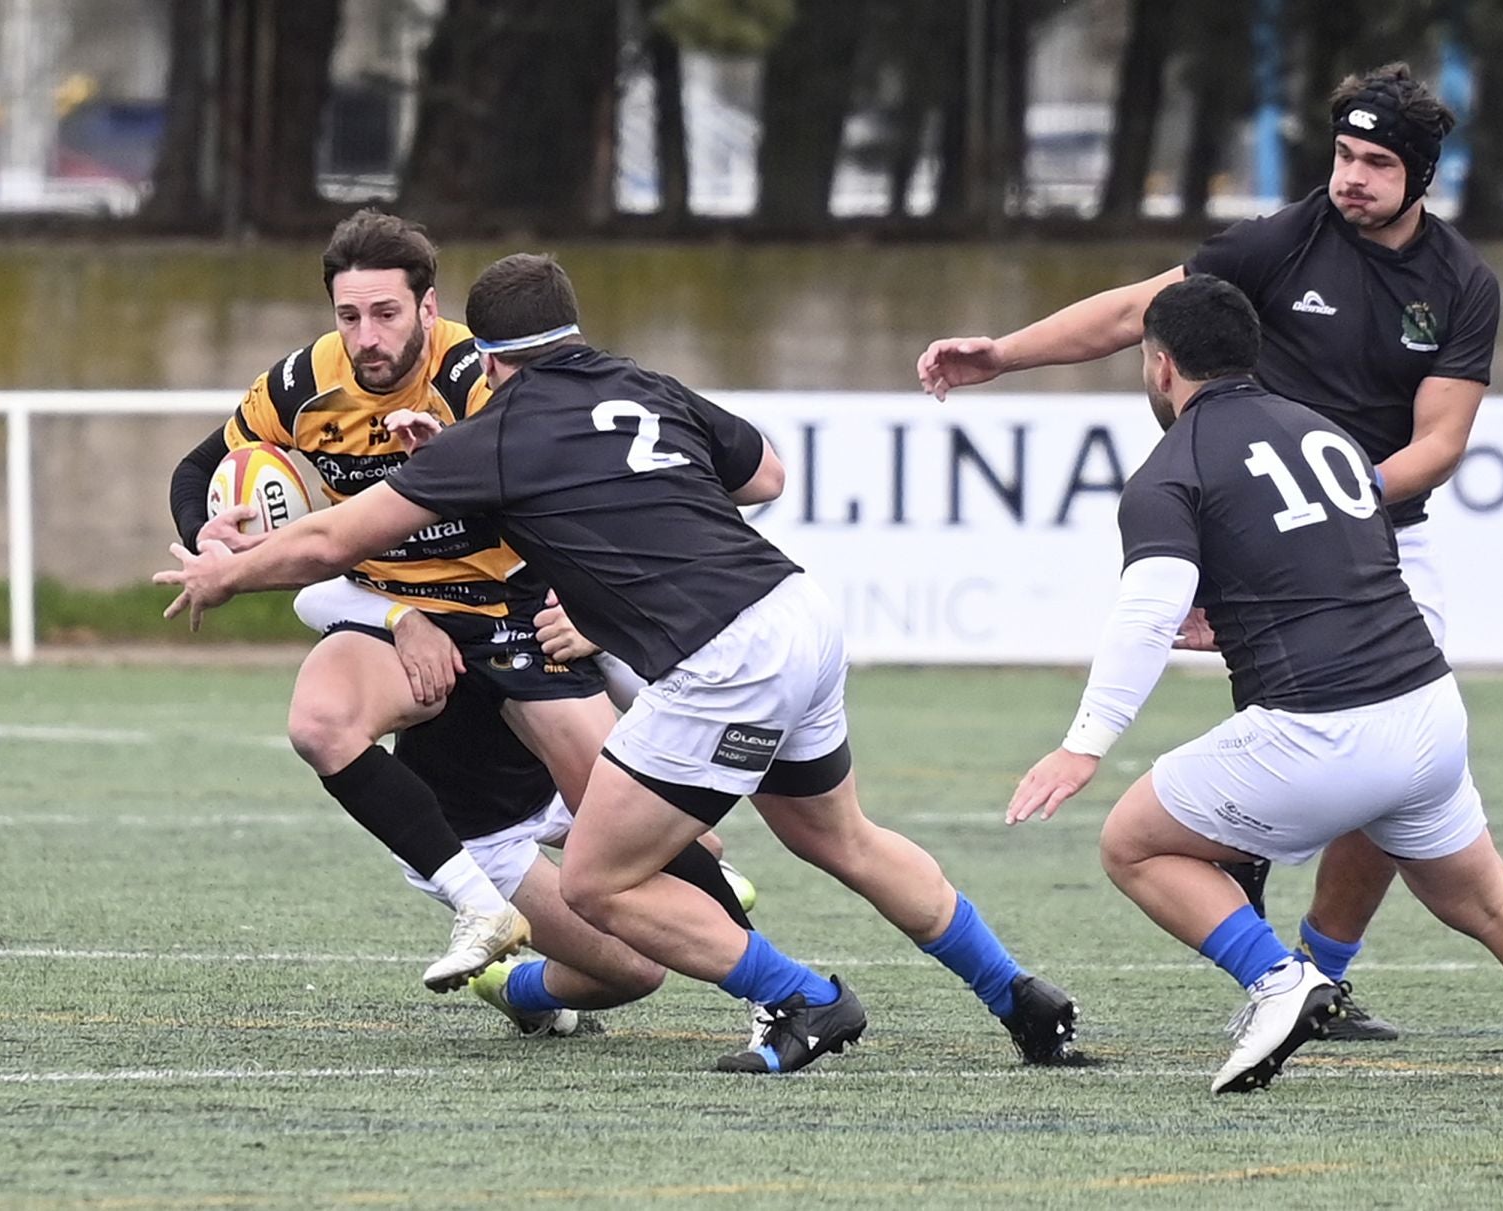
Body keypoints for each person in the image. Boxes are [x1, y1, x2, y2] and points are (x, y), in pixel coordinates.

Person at [155, 253, 1080, 1075]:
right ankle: (1019, 996)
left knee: (597, 880)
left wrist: (228, 571)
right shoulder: (647, 384)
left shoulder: (499, 433)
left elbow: (329, 542)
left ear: (485, 353)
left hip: (724, 656)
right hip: (799, 612)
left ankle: (802, 997)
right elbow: (765, 477)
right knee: (839, 835)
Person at [917, 62, 1500, 1040]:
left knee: (1398, 760)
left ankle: (1321, 973)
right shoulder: (1285, 238)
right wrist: (1003, 354)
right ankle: (1271, 958)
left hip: (1387, 542)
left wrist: (1334, 500)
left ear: (1422, 174)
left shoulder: (1459, 285)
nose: (1351, 177)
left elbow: (1439, 443)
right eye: (1344, 154)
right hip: (1261, 544)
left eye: (1376, 163)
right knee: (1276, 735)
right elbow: (1142, 312)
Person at [1007, 275, 1503, 1095]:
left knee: (1133, 840)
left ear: (1160, 365)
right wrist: (1235, 619)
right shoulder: (1322, 432)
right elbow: (1342, 566)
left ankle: (1279, 979)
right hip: (1426, 709)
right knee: (1492, 902)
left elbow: (1145, 615)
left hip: (1324, 728)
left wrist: (1083, 746)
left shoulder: (1168, 469)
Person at [167, 209, 616, 994]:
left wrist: (582, 598)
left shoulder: (477, 374)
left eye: (385, 314)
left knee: (633, 947)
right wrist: (207, 532)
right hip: (396, 610)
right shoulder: (306, 383)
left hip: (513, 611)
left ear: (427, 308)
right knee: (319, 720)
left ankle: (692, 885)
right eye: (349, 316)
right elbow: (199, 465)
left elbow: (565, 487)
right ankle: (478, 907)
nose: (367, 337)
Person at [289, 577, 760, 1039]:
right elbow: (313, 593)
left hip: (552, 784)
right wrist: (403, 619)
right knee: (637, 971)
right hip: (478, 830)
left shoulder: (552, 564)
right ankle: (513, 988)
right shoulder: (427, 580)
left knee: (703, 847)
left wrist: (604, 637)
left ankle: (770, 982)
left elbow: (656, 698)